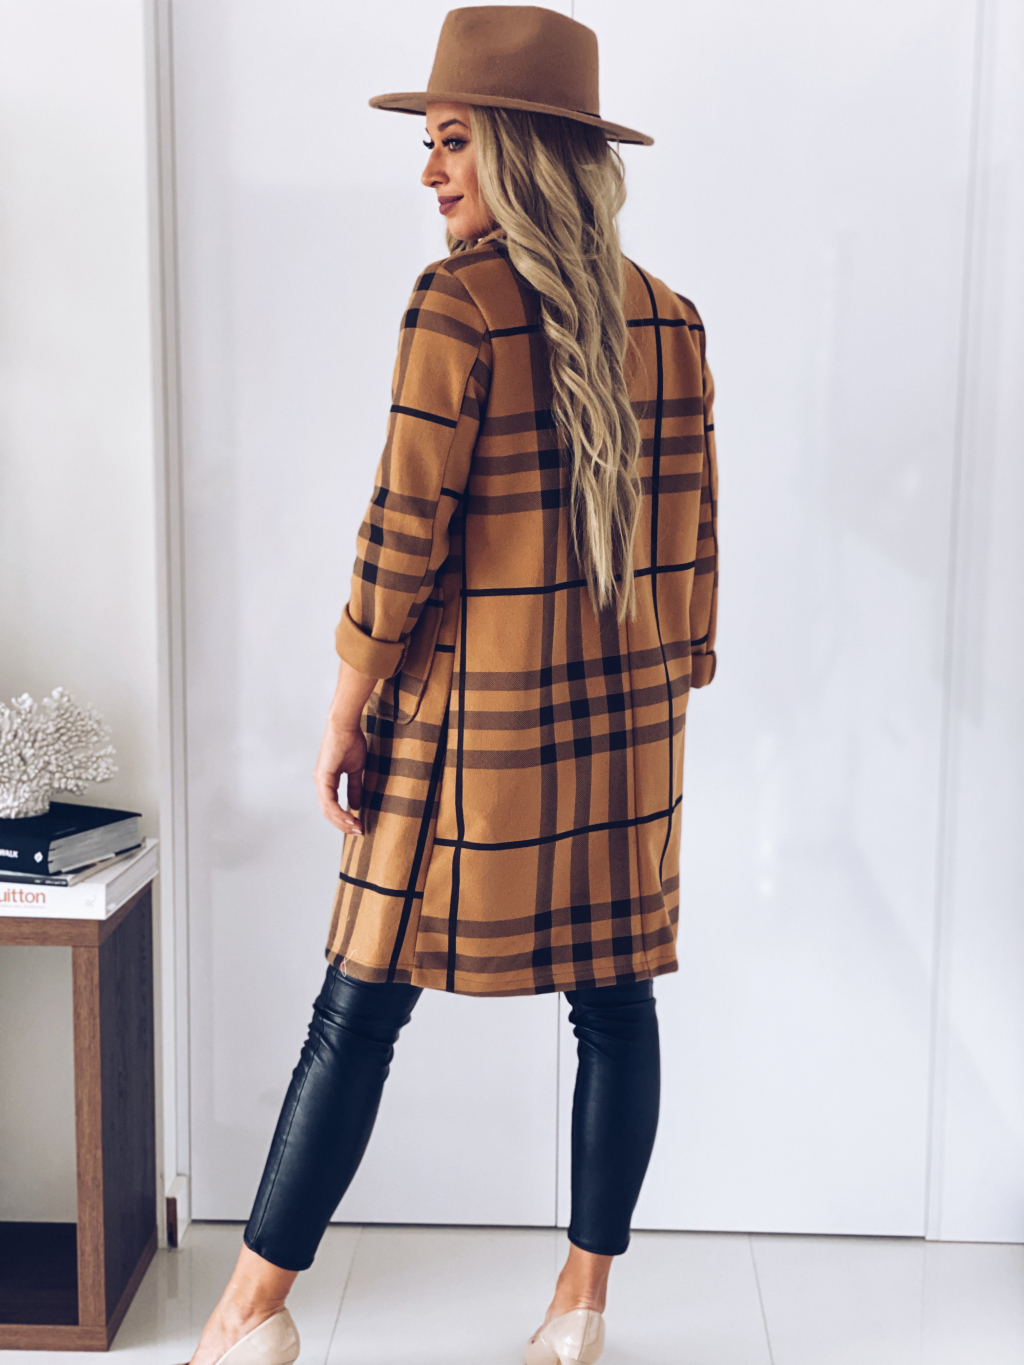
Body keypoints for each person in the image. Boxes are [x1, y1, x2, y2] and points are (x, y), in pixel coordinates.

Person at [187, 8, 717, 1365]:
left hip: (466, 726)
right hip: (629, 728)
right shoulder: (670, 317)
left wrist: (346, 705)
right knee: (617, 1004)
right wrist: (672, 684)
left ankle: (251, 1314)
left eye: (454, 142)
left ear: (528, 151)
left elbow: (400, 533)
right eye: (428, 145)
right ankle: (581, 1308)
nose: (430, 172)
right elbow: (698, 538)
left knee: (357, 1004)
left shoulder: (457, 302)